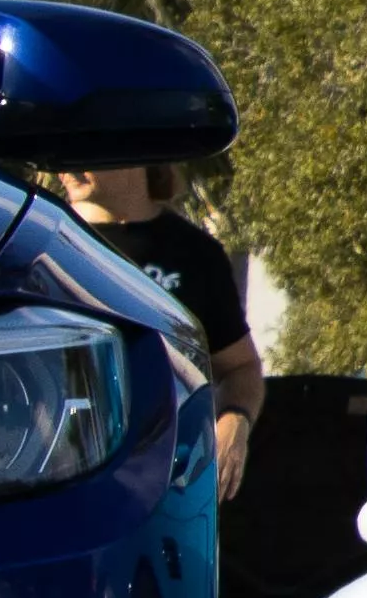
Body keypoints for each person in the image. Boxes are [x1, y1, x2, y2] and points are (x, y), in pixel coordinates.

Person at [63, 160, 266, 469]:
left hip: (171, 473)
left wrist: (234, 422)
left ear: (136, 148)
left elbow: (241, 367)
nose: (68, 165)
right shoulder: (43, 247)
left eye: (84, 148)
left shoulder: (196, 255)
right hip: (63, 471)